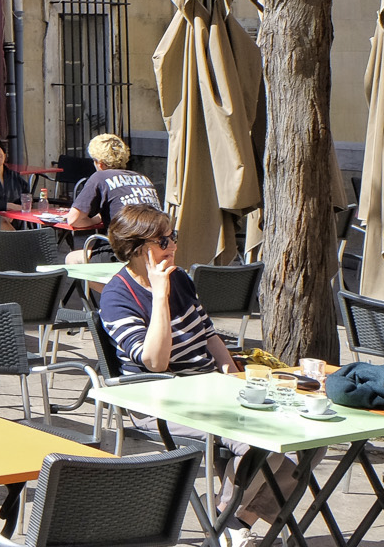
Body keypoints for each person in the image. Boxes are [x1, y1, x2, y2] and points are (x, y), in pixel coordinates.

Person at [97, 203, 299, 542]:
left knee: (305, 438)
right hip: (160, 402)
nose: (173, 245)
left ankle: (231, 520)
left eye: (173, 236)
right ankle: (226, 523)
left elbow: (208, 334)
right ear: (137, 249)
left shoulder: (180, 279)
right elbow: (155, 362)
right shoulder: (118, 296)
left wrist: (232, 376)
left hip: (210, 390)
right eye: (163, 241)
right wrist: (159, 296)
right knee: (260, 441)